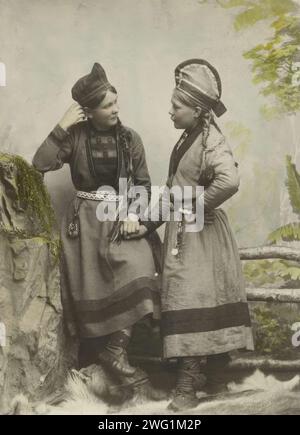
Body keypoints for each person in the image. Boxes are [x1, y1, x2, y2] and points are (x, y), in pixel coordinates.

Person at [32, 62, 161, 380]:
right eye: (108, 105)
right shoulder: (74, 138)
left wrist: (133, 214)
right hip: (86, 227)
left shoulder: (131, 140)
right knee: (90, 291)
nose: (116, 109)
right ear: (88, 112)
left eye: (116, 102)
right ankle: (90, 366)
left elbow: (143, 185)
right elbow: (40, 162)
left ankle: (116, 349)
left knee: (141, 267)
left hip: (121, 221)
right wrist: (61, 125)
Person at [139, 59, 254, 411]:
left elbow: (229, 181)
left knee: (193, 300)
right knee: (187, 298)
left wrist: (194, 207)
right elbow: (175, 191)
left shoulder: (211, 139)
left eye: (177, 106)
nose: (170, 111)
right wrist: (145, 223)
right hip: (185, 237)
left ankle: (190, 385)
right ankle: (210, 378)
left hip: (201, 239)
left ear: (197, 109)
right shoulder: (188, 138)